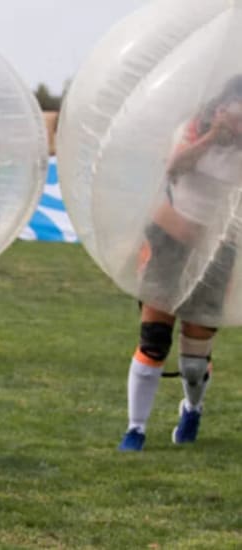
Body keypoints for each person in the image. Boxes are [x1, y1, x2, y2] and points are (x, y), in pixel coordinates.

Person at [118, 75, 242, 451]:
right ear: (219, 107)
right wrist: (211, 138)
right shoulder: (190, 130)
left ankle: (192, 406)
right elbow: (173, 167)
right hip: (169, 243)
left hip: (216, 253)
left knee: (192, 360)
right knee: (153, 339)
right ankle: (135, 429)